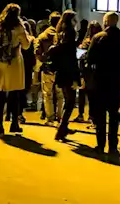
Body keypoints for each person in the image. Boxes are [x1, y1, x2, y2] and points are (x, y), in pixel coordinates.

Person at [88, 11, 120, 155]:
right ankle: (113, 146)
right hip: (116, 79)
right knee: (114, 114)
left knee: (100, 114)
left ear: (106, 22)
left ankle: (100, 144)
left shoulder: (98, 38)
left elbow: (90, 58)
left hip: (100, 79)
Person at [0, 3, 31, 135]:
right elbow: (26, 46)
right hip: (14, 62)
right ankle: (14, 123)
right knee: (14, 93)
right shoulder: (19, 28)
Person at [50, 11, 81, 141]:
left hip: (61, 70)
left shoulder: (60, 33)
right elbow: (71, 55)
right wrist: (76, 76)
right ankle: (62, 128)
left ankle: (64, 126)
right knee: (70, 101)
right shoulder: (70, 33)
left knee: (67, 99)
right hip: (69, 71)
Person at [35, 12, 64, 125]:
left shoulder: (42, 36)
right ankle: (60, 116)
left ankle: (50, 118)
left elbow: (37, 52)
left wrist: (43, 60)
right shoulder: (63, 35)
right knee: (60, 94)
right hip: (61, 69)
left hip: (47, 68)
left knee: (47, 95)